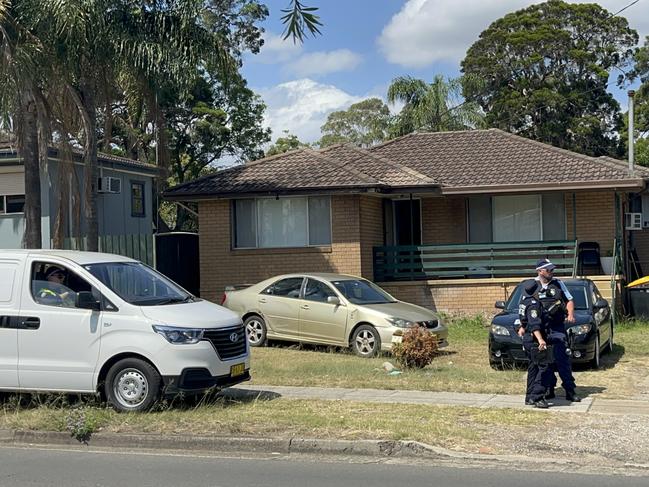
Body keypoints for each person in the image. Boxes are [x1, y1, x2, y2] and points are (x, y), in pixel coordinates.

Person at [528, 258, 581, 403]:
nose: (551, 272)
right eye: (548, 269)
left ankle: (570, 390)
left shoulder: (558, 283)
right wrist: (522, 326)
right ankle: (548, 389)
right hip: (540, 329)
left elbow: (569, 300)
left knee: (562, 359)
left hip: (556, 328)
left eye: (552, 269)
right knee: (545, 362)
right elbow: (525, 307)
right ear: (539, 271)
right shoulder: (532, 285)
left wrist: (570, 314)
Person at [517, 282, 553, 408]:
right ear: (535, 292)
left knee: (534, 367)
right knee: (544, 367)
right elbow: (534, 324)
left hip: (527, 338)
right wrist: (541, 340)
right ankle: (537, 397)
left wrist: (522, 327)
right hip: (534, 340)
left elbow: (524, 320)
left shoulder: (524, 302)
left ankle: (529, 396)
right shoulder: (533, 305)